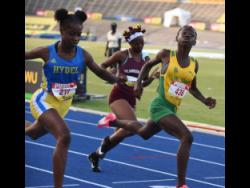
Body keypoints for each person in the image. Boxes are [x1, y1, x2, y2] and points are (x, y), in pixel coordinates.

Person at [97, 25, 216, 188]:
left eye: (192, 34)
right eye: (184, 33)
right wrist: (138, 83)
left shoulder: (194, 64)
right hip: (159, 105)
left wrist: (204, 100)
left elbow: (192, 88)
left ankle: (113, 122)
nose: (188, 35)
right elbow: (147, 66)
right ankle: (181, 184)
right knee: (187, 137)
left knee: (144, 133)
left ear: (195, 41)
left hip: (172, 108)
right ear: (177, 37)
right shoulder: (166, 54)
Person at [25, 8, 124, 188]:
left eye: (79, 34)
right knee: (65, 136)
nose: (76, 38)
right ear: (61, 31)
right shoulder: (46, 52)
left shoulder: (83, 55)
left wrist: (118, 80)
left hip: (64, 105)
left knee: (33, 133)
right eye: (72, 34)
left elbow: (100, 71)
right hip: (44, 100)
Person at [88, 25, 160, 172]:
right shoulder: (121, 55)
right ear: (130, 43)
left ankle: (96, 155)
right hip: (118, 95)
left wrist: (152, 77)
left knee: (122, 133)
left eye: (142, 42)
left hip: (132, 98)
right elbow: (102, 66)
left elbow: (143, 83)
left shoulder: (146, 60)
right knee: (133, 126)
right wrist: (114, 76)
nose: (140, 45)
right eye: (136, 43)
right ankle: (110, 122)